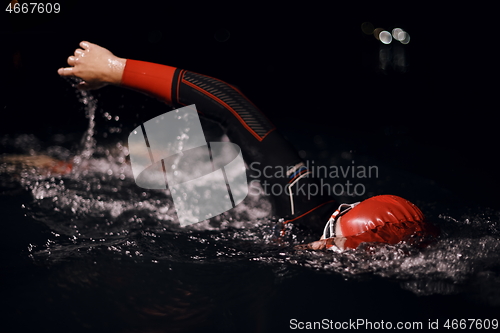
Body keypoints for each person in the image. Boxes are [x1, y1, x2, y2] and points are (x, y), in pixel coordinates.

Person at [57, 41, 438, 251]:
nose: (321, 250)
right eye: (331, 241)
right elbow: (230, 104)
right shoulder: (304, 201)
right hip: (230, 187)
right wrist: (115, 68)